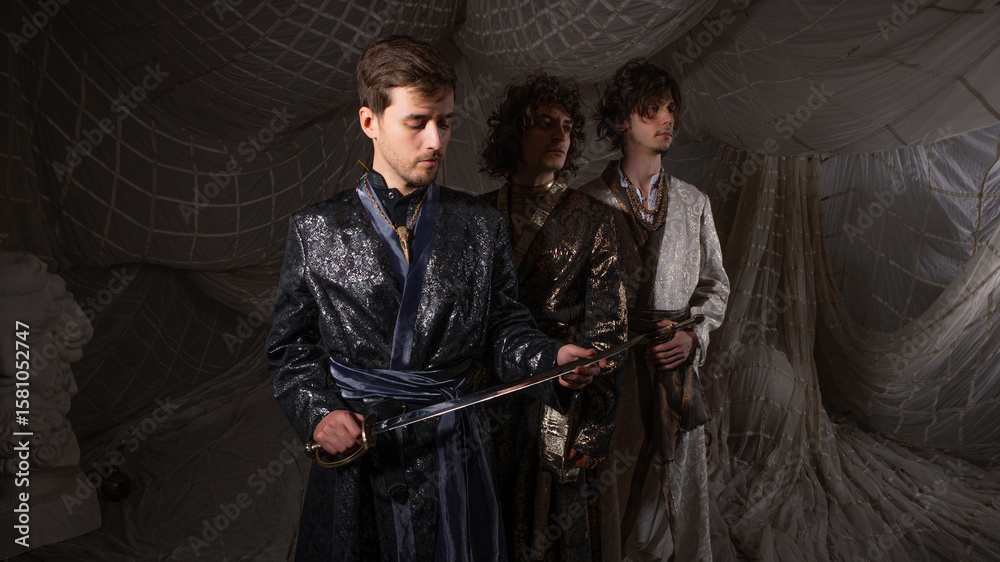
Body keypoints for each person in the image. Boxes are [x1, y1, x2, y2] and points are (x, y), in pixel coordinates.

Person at [266, 36, 602, 562]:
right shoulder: (316, 229)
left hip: (453, 451)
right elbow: (291, 350)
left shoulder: (480, 226)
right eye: (417, 122)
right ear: (370, 121)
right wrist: (319, 412)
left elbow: (502, 328)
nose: (435, 140)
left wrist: (548, 359)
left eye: (444, 122)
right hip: (362, 454)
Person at [579, 59, 730, 562]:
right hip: (614, 376)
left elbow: (715, 287)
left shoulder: (694, 203)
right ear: (623, 120)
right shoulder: (587, 204)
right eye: (651, 110)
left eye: (670, 108)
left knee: (678, 494)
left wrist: (693, 337)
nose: (667, 119)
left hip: (675, 368)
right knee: (615, 493)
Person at [478, 74, 629, 561]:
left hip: (560, 398)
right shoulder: (476, 216)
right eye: (545, 123)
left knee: (552, 527)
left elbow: (609, 329)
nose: (560, 134)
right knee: (485, 519)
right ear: (514, 133)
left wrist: (596, 425)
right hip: (487, 395)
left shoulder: (594, 218)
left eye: (567, 126)